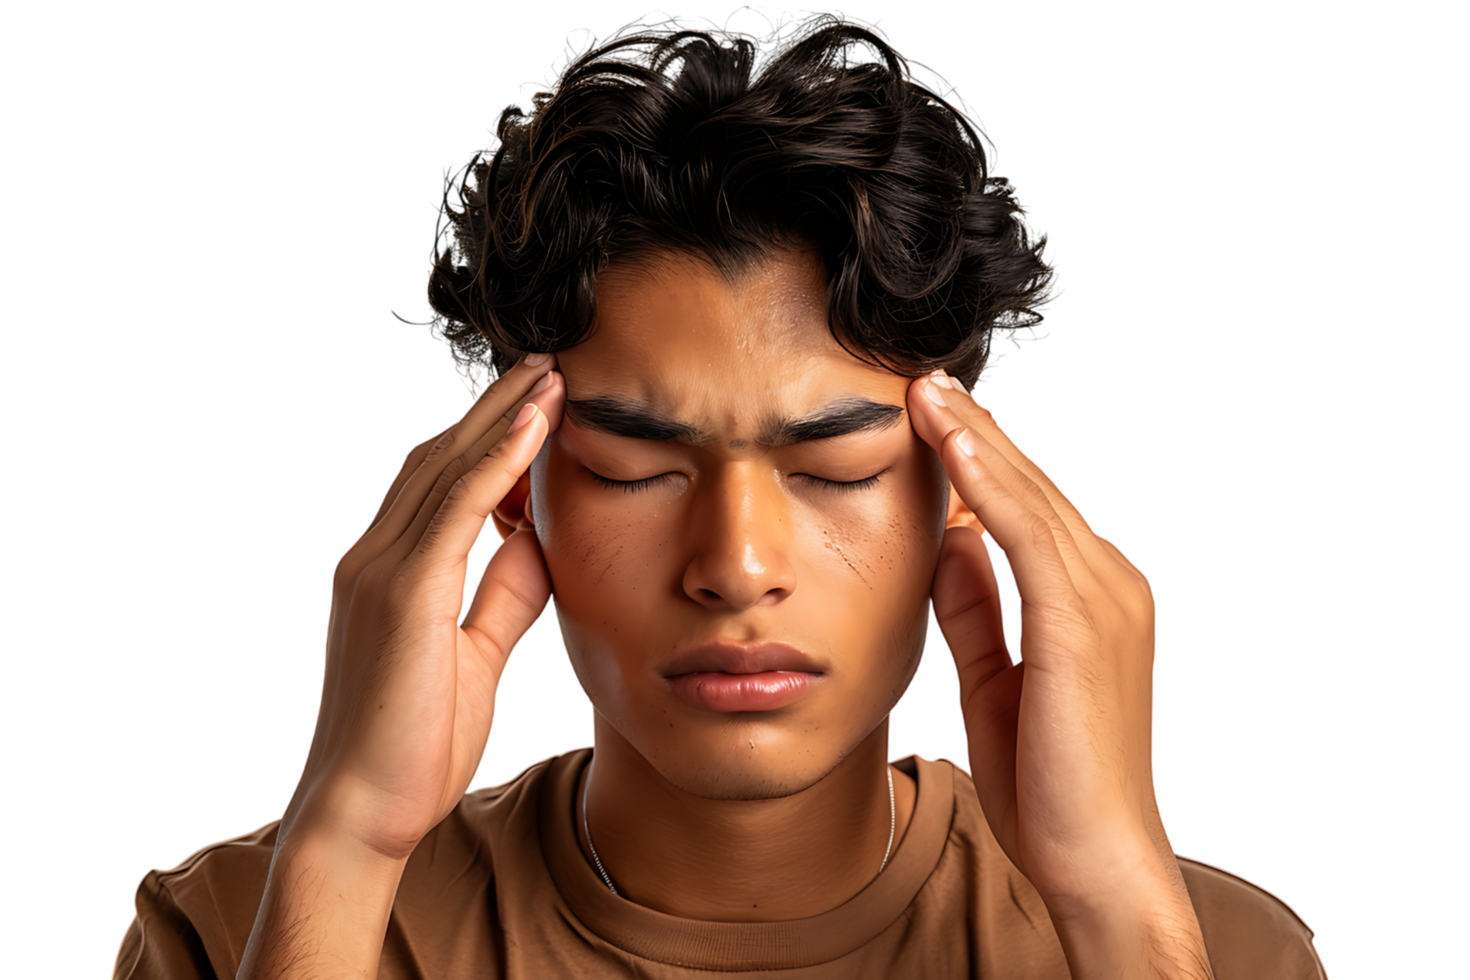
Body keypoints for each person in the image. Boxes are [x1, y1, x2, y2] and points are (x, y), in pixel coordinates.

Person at [112, 9, 1327, 978]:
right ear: (509, 496)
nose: (737, 562)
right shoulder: (231, 931)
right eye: (636, 466)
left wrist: (1115, 897)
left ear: (964, 491)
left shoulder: (1219, 952)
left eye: (834, 464)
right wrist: (341, 847)